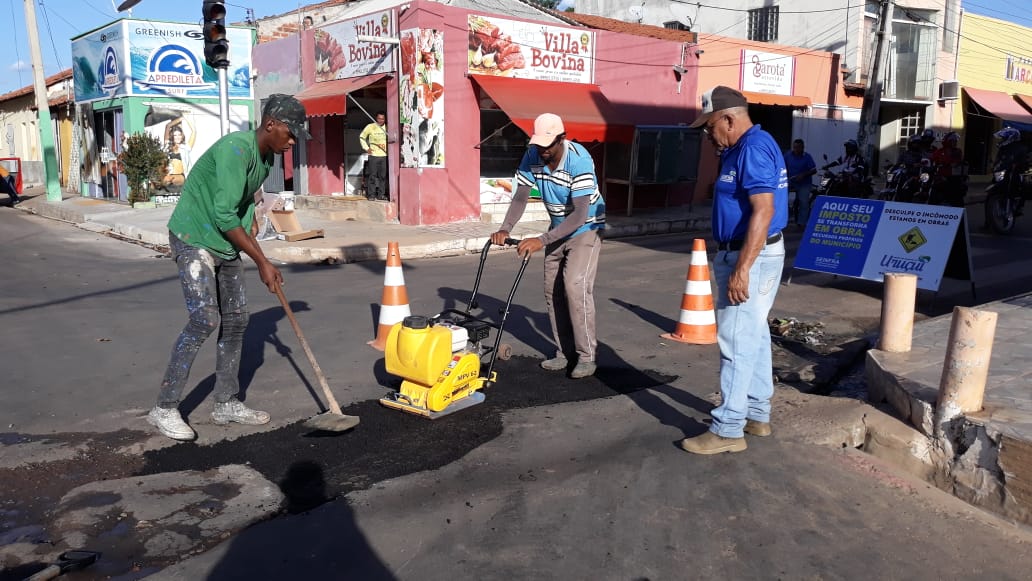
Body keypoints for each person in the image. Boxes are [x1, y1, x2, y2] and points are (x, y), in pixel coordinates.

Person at [147, 94, 311, 441]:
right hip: (195, 234)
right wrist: (263, 262)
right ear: (271, 125)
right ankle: (163, 408)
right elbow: (223, 214)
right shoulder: (236, 150)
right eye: (290, 133)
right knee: (204, 318)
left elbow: (244, 198)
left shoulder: (266, 158)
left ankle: (225, 403)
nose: (293, 141)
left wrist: (251, 220)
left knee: (237, 320)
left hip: (223, 239)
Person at [681, 86, 788, 455]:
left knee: (735, 343)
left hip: (750, 256)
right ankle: (757, 413)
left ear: (729, 119)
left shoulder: (753, 149)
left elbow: (764, 210)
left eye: (711, 127)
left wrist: (742, 268)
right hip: (751, 253)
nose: (709, 135)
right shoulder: (742, 147)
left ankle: (728, 429)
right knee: (753, 336)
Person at [490, 113, 604, 380]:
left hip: (587, 227)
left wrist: (540, 240)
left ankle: (586, 357)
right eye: (538, 145)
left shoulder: (579, 160)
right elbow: (520, 196)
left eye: (547, 146)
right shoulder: (533, 156)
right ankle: (564, 353)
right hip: (557, 227)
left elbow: (578, 215)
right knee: (552, 290)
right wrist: (506, 228)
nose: (542, 151)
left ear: (561, 139)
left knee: (574, 286)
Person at [783, 139, 816, 227]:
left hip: (804, 183)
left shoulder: (807, 156)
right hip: (790, 181)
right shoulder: (787, 155)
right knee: (781, 199)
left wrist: (803, 175)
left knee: (804, 202)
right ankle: (782, 221)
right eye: (794, 147)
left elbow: (814, 170)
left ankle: (802, 223)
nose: (796, 149)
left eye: (798, 147)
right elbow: (781, 166)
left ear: (803, 148)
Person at [930, 131, 966, 206]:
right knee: (933, 190)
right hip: (940, 176)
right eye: (953, 141)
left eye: (955, 141)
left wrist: (955, 163)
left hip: (954, 177)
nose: (955, 143)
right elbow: (933, 160)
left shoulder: (957, 151)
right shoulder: (939, 151)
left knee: (957, 194)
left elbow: (958, 162)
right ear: (948, 141)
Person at [360, 111, 389, 201]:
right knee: (372, 176)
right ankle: (371, 195)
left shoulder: (387, 127)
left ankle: (381, 195)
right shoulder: (370, 127)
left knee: (383, 177)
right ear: (376, 118)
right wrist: (366, 148)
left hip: (384, 156)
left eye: (382, 119)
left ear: (385, 119)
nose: (381, 120)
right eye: (379, 118)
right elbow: (362, 137)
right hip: (373, 155)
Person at [162, 118, 192, 188]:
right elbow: (168, 126)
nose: (177, 137)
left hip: (181, 175)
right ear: (172, 136)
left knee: (167, 179)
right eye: (175, 135)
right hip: (170, 174)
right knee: (164, 179)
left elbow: (194, 131)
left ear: (182, 136)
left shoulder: (185, 148)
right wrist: (181, 118)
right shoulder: (167, 146)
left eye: (179, 135)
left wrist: (187, 118)